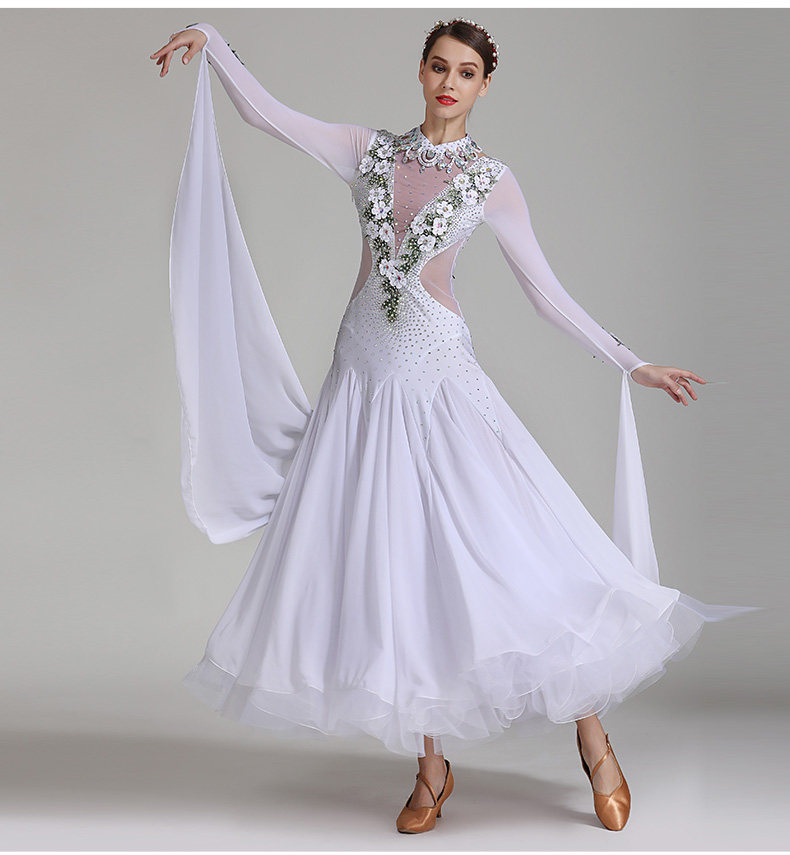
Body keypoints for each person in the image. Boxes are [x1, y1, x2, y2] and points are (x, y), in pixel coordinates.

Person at [150, 17, 758, 834]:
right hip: (362, 387)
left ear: (484, 85)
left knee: (511, 556)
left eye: (466, 72)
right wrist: (212, 40)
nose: (449, 83)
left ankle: (593, 735)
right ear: (422, 71)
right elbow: (270, 116)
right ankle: (431, 766)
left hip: (439, 383)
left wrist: (629, 359)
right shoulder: (368, 151)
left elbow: (545, 291)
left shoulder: (489, 180)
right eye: (439, 66)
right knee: (394, 572)